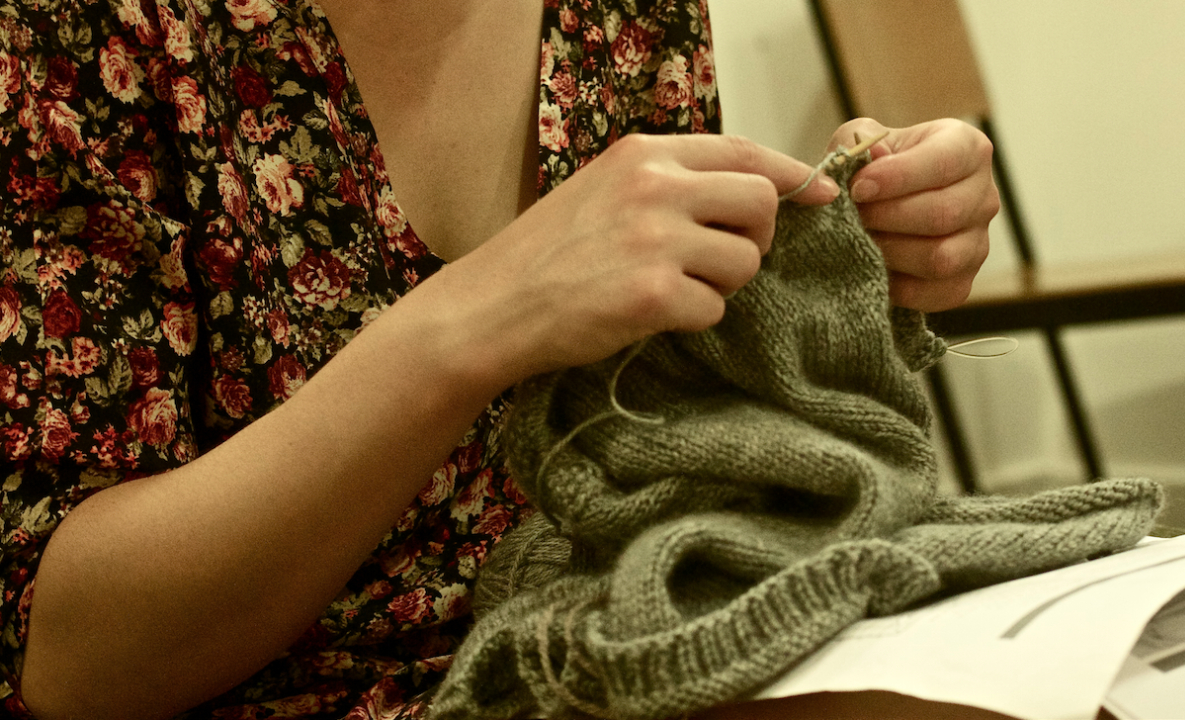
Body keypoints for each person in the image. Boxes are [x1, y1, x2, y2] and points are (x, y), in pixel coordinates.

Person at [0, 0, 996, 718]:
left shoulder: (620, 19)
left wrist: (839, 256)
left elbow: (665, 440)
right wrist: (477, 318)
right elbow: (75, 662)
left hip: (607, 654)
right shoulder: (74, 34)